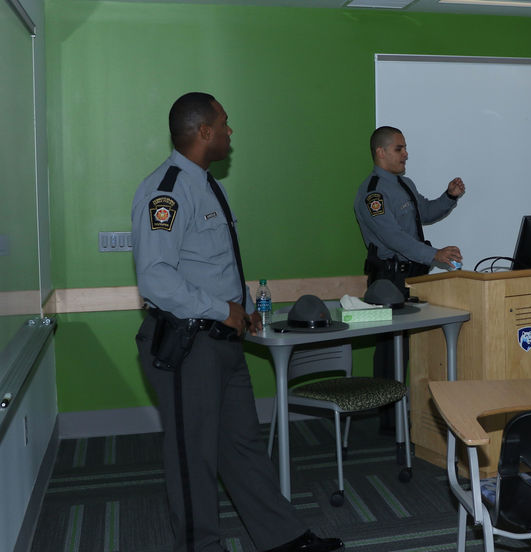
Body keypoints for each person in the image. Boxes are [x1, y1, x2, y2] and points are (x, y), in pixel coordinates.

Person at [132, 92, 344, 552]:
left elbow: (214, 262)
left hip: (222, 340)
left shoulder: (208, 184)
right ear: (203, 131)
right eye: (225, 124)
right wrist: (219, 308)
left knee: (243, 445)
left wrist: (242, 305)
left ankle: (282, 537)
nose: (232, 131)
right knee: (193, 459)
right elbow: (155, 278)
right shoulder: (166, 190)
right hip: (187, 345)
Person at [353, 126, 465, 431]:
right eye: (399, 149)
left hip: (412, 279)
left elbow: (424, 212)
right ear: (381, 152)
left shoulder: (404, 184)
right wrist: (433, 255)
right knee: (391, 354)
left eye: (405, 148)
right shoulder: (373, 192)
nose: (406, 154)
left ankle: (408, 418)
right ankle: (390, 425)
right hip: (388, 281)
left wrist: (449, 197)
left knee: (410, 351)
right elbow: (392, 236)